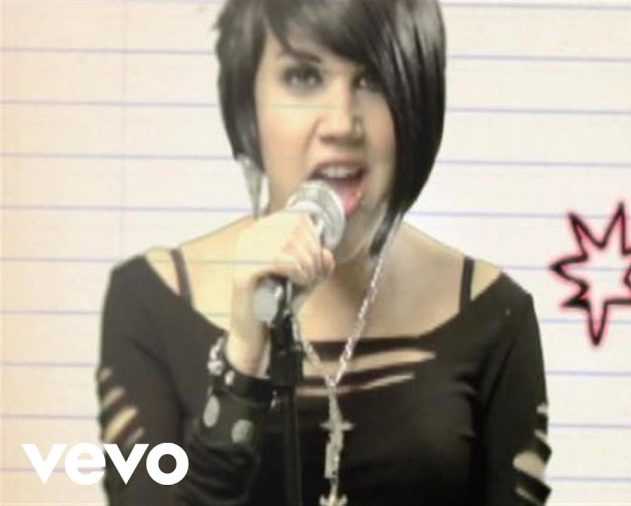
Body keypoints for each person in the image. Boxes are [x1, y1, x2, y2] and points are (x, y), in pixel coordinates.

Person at [95, 0, 551, 504]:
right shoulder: (150, 299)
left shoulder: (494, 315)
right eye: (304, 76)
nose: (340, 123)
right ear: (248, 105)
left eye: (373, 79)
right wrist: (244, 358)